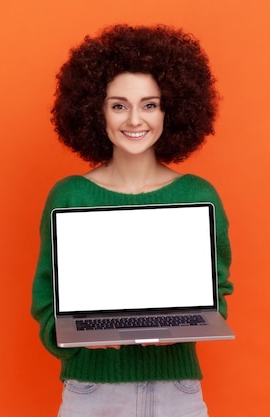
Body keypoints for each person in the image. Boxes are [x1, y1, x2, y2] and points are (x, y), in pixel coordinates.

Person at [31, 24, 233, 417]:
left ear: (170, 110)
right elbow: (45, 297)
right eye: (119, 104)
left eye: (150, 104)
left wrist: (192, 320)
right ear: (96, 109)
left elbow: (218, 288)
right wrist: (69, 335)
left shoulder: (198, 195)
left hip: (177, 390)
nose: (135, 120)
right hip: (91, 389)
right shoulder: (69, 196)